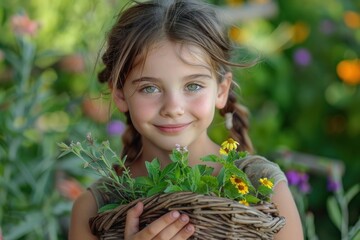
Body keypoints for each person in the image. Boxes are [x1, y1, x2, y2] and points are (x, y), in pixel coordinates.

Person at [69, 0, 303, 239]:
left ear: (221, 91)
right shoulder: (93, 209)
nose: (173, 108)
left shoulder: (263, 188)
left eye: (193, 85)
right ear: (120, 95)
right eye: (149, 88)